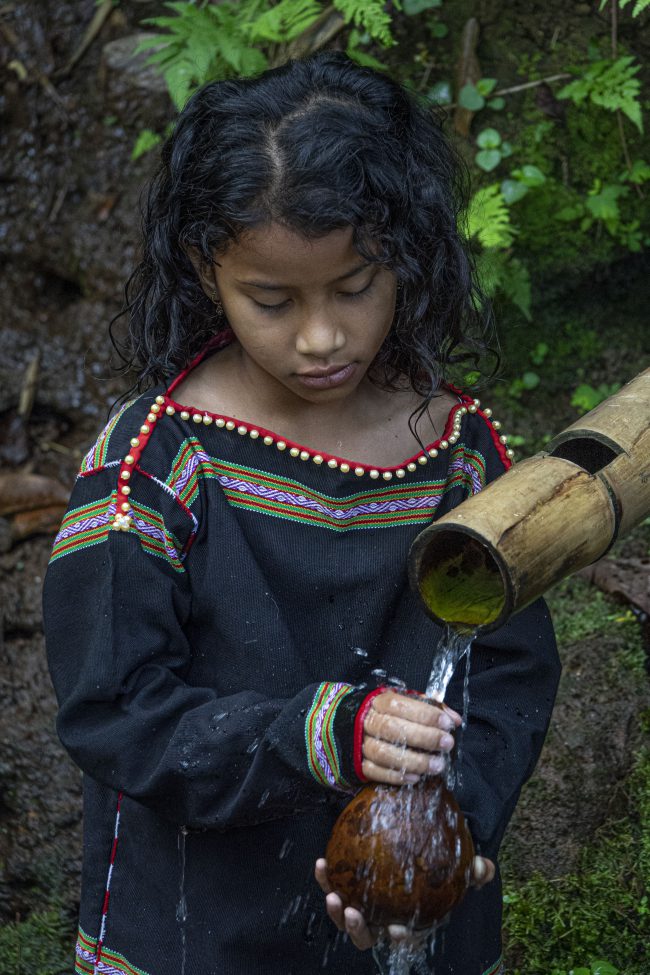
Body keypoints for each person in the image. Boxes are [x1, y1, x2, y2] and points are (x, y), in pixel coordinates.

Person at [43, 52, 560, 975]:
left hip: (410, 915)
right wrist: (319, 734)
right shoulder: (156, 464)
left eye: (355, 287)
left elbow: (509, 676)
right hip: (200, 932)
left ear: (405, 255)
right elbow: (116, 708)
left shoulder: (459, 452)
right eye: (272, 300)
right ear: (207, 271)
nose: (321, 338)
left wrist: (456, 832)